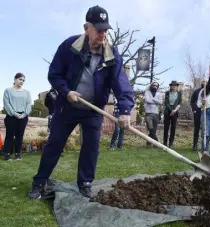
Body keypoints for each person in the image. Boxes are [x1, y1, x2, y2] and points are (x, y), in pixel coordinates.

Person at [27, 5, 135, 199]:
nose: (103, 34)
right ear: (87, 28)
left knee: (91, 147)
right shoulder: (70, 47)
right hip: (67, 106)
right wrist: (66, 92)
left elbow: (121, 82)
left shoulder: (111, 54)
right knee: (54, 144)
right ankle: (39, 182)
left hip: (93, 110)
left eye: (105, 30)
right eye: (98, 29)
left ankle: (85, 183)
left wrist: (125, 109)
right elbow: (54, 74)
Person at [2, 73, 32, 161]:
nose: (21, 81)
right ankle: (7, 154)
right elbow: (6, 104)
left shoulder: (27, 92)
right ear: (15, 79)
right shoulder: (8, 90)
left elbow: (28, 104)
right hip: (11, 116)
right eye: (20, 79)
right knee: (9, 135)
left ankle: (18, 154)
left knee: (20, 135)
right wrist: (15, 114)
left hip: (23, 117)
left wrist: (24, 114)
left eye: (23, 80)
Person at [163, 81, 182, 149]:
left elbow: (179, 103)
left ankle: (171, 143)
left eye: (175, 85)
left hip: (175, 112)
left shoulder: (179, 93)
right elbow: (166, 103)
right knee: (166, 128)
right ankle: (164, 143)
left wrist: (174, 110)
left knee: (173, 128)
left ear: (177, 86)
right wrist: (171, 110)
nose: (174, 86)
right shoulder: (167, 93)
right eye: (172, 85)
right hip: (168, 111)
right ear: (170, 86)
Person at [144, 81, 162, 146]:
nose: (155, 87)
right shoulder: (147, 92)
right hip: (148, 113)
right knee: (150, 128)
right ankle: (157, 142)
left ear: (157, 87)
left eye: (156, 86)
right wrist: (156, 101)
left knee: (154, 130)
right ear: (151, 85)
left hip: (156, 113)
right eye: (154, 85)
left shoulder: (159, 94)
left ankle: (149, 143)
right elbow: (147, 100)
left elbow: (160, 102)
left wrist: (152, 99)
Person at [190, 80, 206, 151]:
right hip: (198, 111)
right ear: (201, 83)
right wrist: (195, 109)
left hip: (206, 112)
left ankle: (204, 146)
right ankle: (195, 145)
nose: (204, 83)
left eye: (206, 81)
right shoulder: (197, 91)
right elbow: (192, 101)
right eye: (203, 81)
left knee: (204, 129)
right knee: (196, 129)